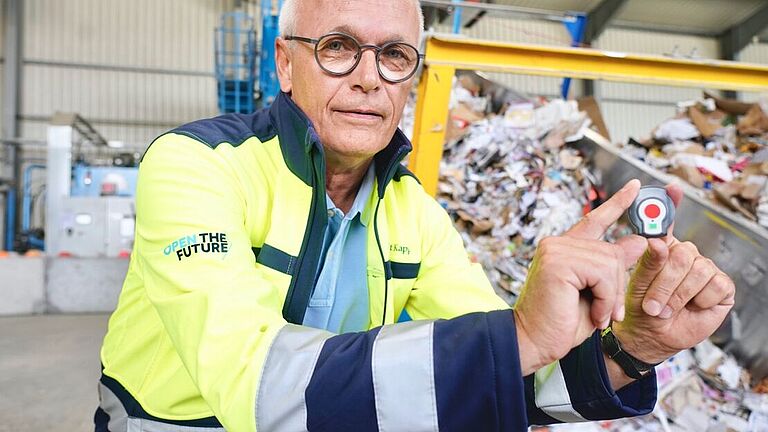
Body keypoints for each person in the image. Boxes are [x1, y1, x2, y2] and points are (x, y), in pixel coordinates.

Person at [94, 0, 735, 431]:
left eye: (395, 56)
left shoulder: (411, 212)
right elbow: (258, 385)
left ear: (411, 81)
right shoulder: (197, 164)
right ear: (285, 64)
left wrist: (635, 346)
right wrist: (516, 334)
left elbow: (513, 384)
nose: (370, 78)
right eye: (338, 47)